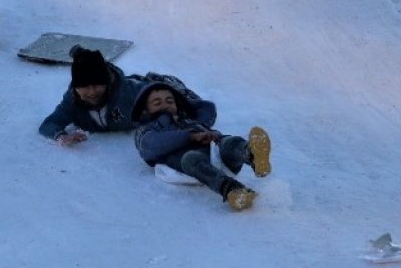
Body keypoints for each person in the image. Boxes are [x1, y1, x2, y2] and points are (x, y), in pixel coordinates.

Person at [132, 82, 272, 211]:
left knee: (228, 142)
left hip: (215, 152)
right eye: (157, 102)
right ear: (144, 110)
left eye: (170, 101)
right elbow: (151, 145)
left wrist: (210, 134)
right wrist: (190, 136)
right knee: (191, 158)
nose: (165, 105)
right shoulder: (146, 129)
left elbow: (207, 108)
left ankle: (252, 155)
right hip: (191, 164)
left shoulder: (188, 119)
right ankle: (235, 191)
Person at [38, 46, 203, 144]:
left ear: (107, 83)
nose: (92, 92)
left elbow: (170, 102)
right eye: (84, 87)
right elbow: (49, 124)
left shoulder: (130, 94)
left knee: (169, 89)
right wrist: (61, 136)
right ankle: (82, 55)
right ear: (75, 88)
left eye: (97, 85)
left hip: (143, 83)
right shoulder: (71, 102)